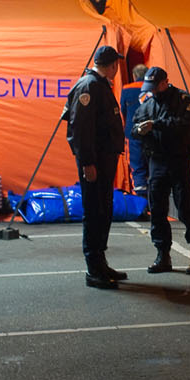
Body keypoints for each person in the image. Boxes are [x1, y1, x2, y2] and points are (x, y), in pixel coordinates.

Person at [65, 44, 129, 289]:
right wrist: (87, 162)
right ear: (112, 65)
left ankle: (100, 262)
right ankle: (93, 268)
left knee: (103, 211)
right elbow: (80, 130)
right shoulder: (89, 86)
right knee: (94, 212)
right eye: (116, 65)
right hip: (96, 161)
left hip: (104, 160)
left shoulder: (99, 85)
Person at [132, 65, 190, 274]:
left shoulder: (184, 101)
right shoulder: (147, 104)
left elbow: (186, 127)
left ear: (165, 82)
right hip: (156, 162)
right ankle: (162, 255)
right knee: (157, 210)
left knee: (186, 210)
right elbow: (134, 127)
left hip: (179, 161)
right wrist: (139, 129)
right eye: (150, 87)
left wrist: (156, 125)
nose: (152, 91)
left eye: (155, 87)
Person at [121, 64, 150, 209]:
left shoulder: (126, 89)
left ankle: (140, 204)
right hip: (151, 134)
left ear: (134, 75)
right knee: (152, 166)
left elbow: (123, 111)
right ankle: (153, 203)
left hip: (132, 135)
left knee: (136, 167)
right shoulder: (153, 89)